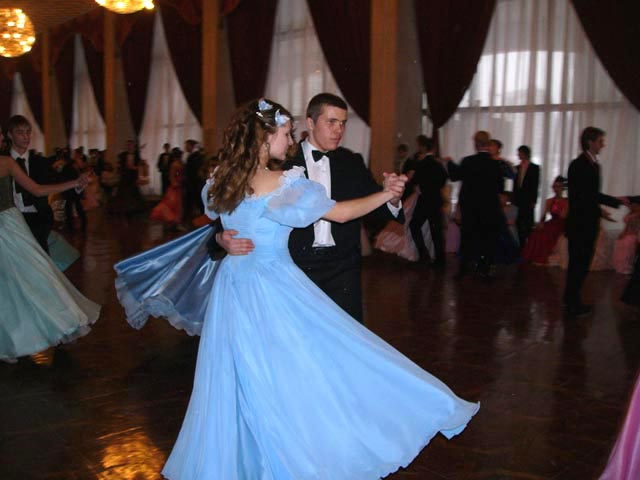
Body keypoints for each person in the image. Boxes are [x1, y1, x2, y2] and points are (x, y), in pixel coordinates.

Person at [114, 98, 478, 479]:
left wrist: (225, 235)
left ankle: (240, 459)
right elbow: (340, 213)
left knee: (242, 375)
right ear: (265, 136)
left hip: (234, 289)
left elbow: (223, 217)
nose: (290, 142)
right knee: (287, 370)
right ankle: (290, 454)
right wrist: (386, 195)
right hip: (271, 287)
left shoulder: (223, 177)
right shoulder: (281, 182)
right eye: (286, 134)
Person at [216, 93, 404, 322]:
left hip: (342, 269)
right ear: (311, 123)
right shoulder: (282, 165)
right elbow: (232, 216)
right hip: (295, 268)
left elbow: (375, 208)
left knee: (343, 335)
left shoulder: (352, 162)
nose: (339, 130)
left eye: (343, 123)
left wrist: (392, 198)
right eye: (331, 122)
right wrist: (221, 238)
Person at [0, 152, 100, 363]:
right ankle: (8, 341)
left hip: (10, 227)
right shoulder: (7, 161)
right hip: (9, 225)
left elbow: (36, 189)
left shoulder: (6, 162)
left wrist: (74, 182)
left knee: (36, 276)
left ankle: (59, 320)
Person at [563, 127, 623, 316]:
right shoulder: (579, 165)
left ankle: (571, 299)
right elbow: (583, 197)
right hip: (580, 224)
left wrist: (604, 207)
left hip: (587, 223)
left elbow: (590, 196)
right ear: (590, 142)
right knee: (578, 265)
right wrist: (617, 201)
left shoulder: (593, 165)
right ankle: (572, 303)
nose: (603, 144)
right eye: (600, 141)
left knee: (582, 265)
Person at [447, 131, 504, 279]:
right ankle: (485, 269)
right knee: (487, 239)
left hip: (470, 208)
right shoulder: (495, 164)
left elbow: (454, 176)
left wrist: (449, 162)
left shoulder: (468, 161)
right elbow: (500, 188)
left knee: (467, 237)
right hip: (489, 208)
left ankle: (464, 269)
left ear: (476, 144)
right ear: (488, 144)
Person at [6, 115, 58, 253]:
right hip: (12, 219)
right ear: (10, 135)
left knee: (41, 257)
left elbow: (57, 181)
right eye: (20, 132)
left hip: (38, 217)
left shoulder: (40, 162)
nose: (26, 137)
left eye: (28, 132)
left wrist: (77, 186)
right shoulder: (3, 161)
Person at [409, 136, 448, 267]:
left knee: (414, 225)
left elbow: (414, 181)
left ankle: (423, 254)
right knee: (436, 231)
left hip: (424, 200)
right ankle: (440, 260)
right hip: (436, 200)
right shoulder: (438, 164)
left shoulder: (421, 164)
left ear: (423, 148)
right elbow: (443, 180)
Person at [521, 176, 569, 265]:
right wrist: (541, 222)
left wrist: (559, 205)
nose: (556, 189)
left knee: (546, 234)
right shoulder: (549, 200)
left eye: (559, 186)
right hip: (552, 222)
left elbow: (563, 216)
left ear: (563, 188)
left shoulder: (566, 201)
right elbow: (544, 214)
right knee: (536, 232)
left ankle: (541, 256)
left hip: (560, 223)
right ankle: (531, 256)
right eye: (555, 186)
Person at [512, 145, 540, 248]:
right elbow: (515, 185)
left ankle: (529, 247)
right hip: (518, 200)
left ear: (525, 153)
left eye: (520, 153)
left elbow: (536, 185)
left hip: (528, 200)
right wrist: (513, 199)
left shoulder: (534, 168)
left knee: (528, 224)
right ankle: (521, 246)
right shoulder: (516, 168)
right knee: (519, 223)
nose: (518, 155)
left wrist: (534, 200)